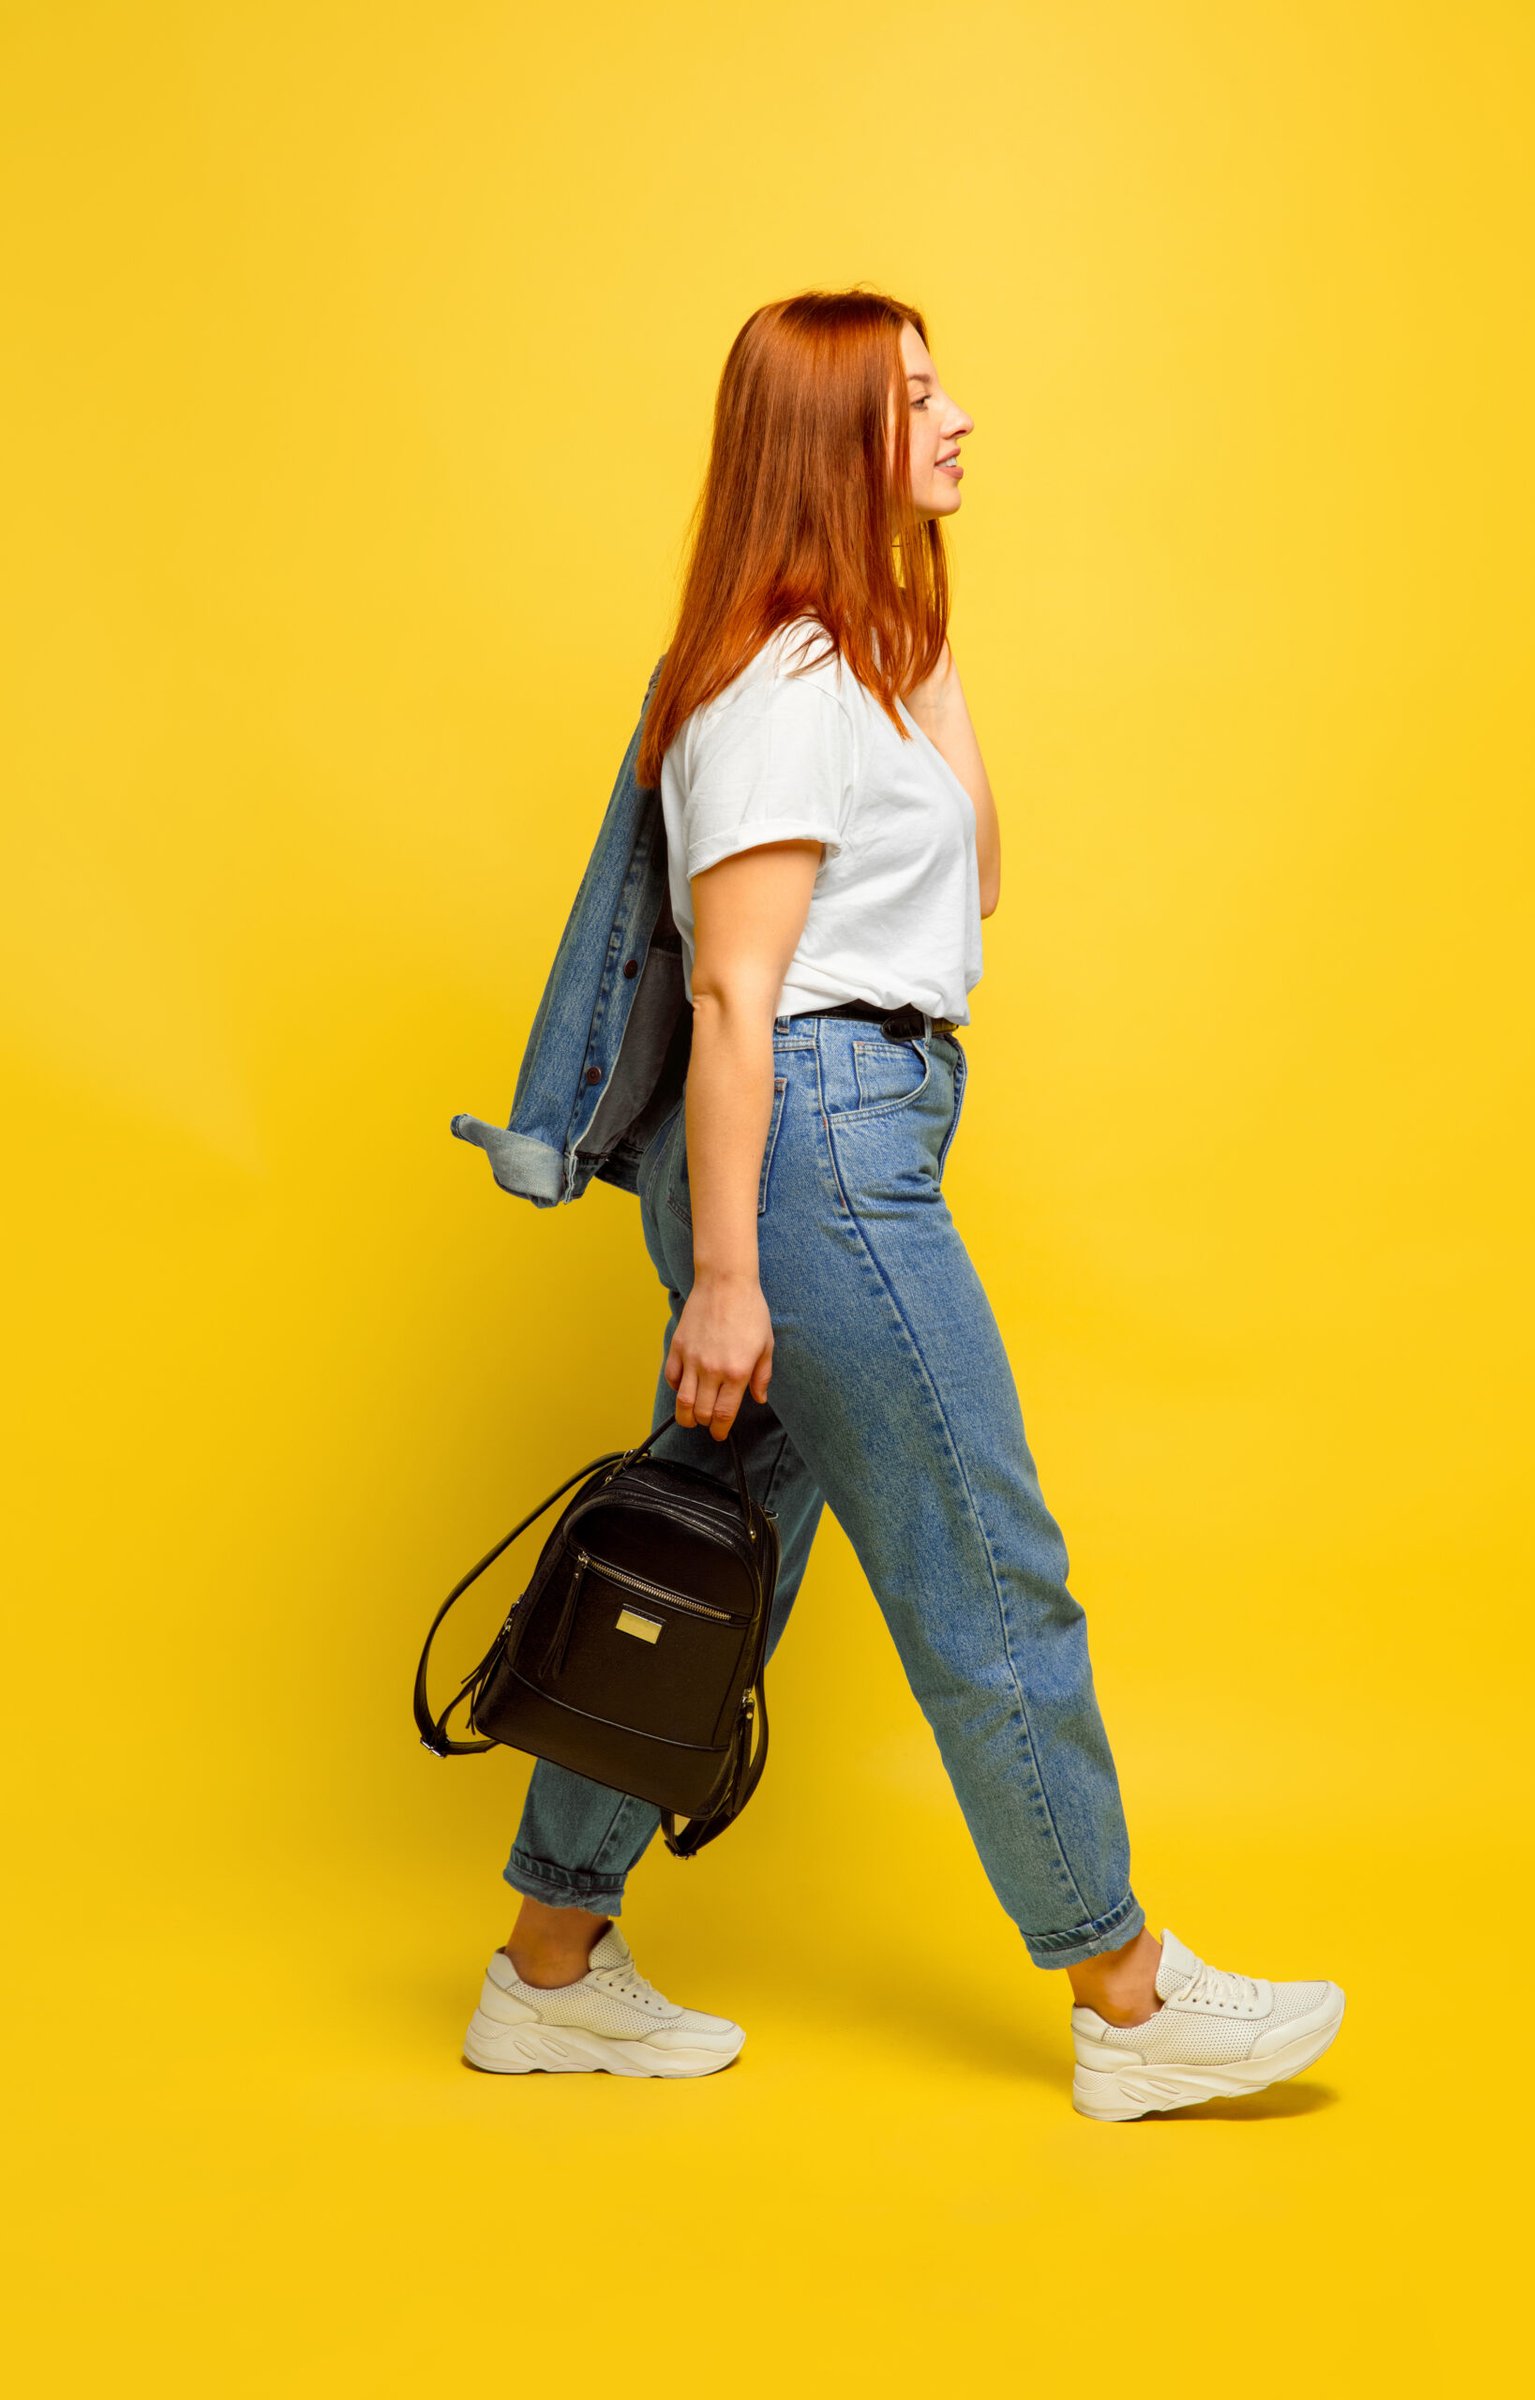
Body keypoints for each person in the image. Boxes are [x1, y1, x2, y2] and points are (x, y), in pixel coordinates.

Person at [461, 289, 1345, 2119]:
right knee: (983, 1556)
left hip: (836, 1155)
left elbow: (981, 876)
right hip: (816, 1161)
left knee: (707, 1553)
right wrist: (724, 1272)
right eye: (918, 401)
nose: (961, 423)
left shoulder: (847, 668)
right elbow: (729, 994)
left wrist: (923, 624)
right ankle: (1127, 1998)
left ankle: (548, 1970)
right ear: (828, 441)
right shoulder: (780, 692)